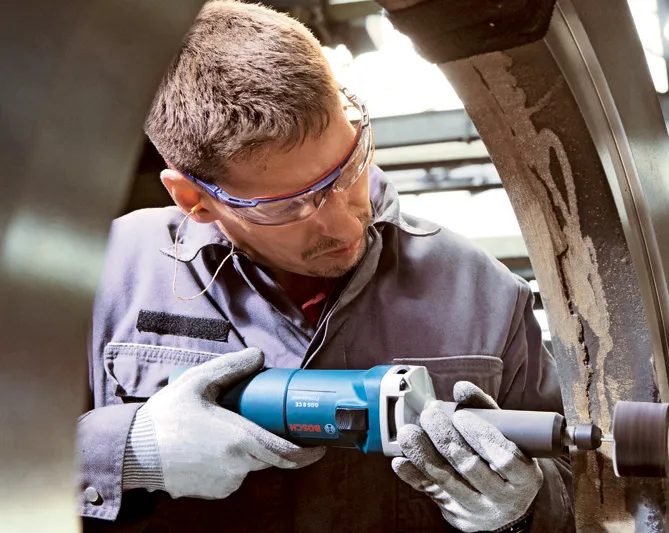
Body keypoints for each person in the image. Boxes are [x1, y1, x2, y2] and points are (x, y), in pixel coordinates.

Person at [77, 1, 574, 532]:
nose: (343, 224)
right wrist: (131, 451)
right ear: (193, 199)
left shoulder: (485, 294)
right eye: (286, 205)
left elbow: (578, 488)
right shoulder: (96, 274)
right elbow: (20, 447)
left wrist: (522, 511)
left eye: (349, 166)